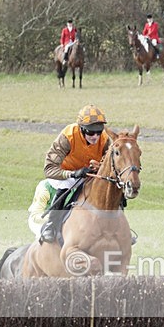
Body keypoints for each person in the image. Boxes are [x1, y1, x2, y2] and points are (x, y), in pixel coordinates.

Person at [39, 104, 111, 243]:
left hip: (91, 174)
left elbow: (110, 163)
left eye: (99, 131)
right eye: (91, 132)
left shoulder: (105, 139)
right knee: (67, 185)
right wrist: (72, 174)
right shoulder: (68, 136)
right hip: (65, 173)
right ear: (81, 129)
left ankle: (117, 227)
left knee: (111, 188)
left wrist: (100, 167)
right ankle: (51, 225)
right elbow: (49, 169)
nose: (95, 136)